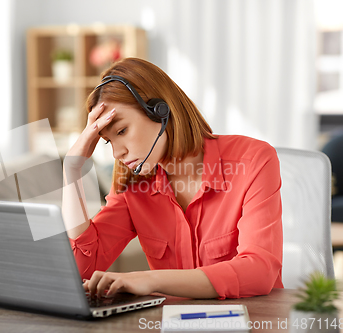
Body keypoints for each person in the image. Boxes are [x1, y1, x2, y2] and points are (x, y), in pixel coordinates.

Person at [62, 57, 283, 300]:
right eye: (109, 140)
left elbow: (259, 272)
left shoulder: (253, 160)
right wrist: (71, 170)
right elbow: (81, 268)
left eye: (122, 131)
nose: (117, 153)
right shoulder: (133, 186)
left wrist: (149, 279)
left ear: (161, 111)